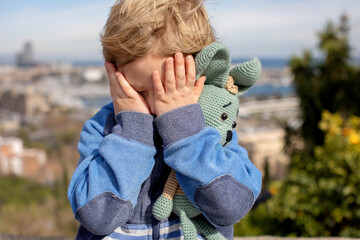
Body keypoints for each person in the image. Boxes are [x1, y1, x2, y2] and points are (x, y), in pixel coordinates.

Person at [67, 0, 262, 239]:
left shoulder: (213, 127)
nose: (154, 106)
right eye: (138, 91)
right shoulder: (103, 128)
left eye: (168, 89)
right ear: (114, 75)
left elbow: (231, 206)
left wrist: (185, 130)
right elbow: (97, 217)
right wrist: (132, 132)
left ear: (201, 73)